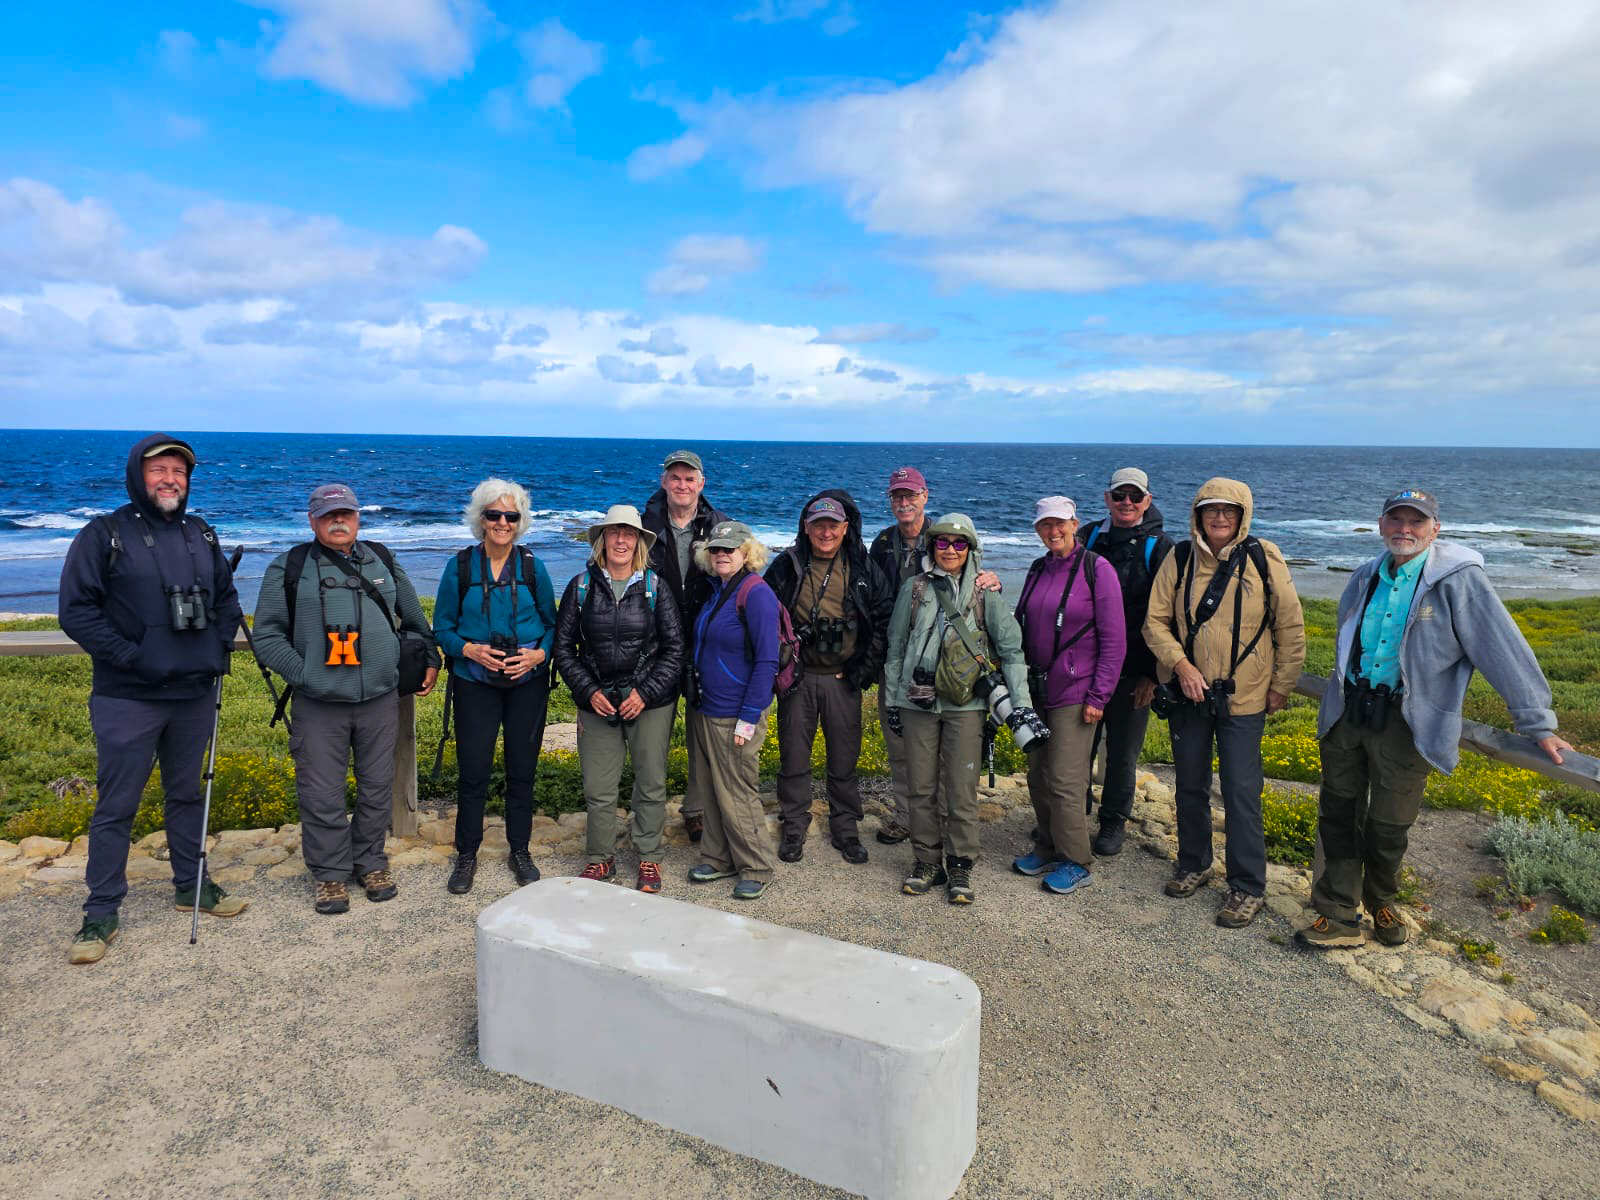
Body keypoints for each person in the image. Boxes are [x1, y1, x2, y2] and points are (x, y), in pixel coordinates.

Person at [1297, 489, 1573, 949]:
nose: (1405, 529)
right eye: (1396, 519)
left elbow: (1502, 649)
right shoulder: (1365, 575)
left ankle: (1382, 902)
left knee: (1389, 825)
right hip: (1350, 713)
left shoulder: (1458, 581)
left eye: (1417, 522)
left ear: (1435, 529)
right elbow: (1348, 642)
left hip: (1406, 723)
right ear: (1381, 524)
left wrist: (1538, 724)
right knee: (1338, 815)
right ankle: (1338, 913)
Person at [58, 434, 246, 964]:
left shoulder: (200, 533)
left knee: (186, 795)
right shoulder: (104, 534)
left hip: (193, 694)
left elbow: (227, 599)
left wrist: (214, 646)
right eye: (158, 470)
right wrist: (132, 657)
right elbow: (76, 611)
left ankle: (192, 885)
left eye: (179, 472)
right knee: (117, 805)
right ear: (137, 477)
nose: (170, 480)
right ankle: (100, 912)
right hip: (128, 696)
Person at [253, 483, 439, 915]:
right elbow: (266, 635)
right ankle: (330, 874)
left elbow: (414, 619)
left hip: (379, 699)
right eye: (328, 514)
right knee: (321, 793)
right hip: (318, 703)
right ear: (312, 520)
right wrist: (306, 675)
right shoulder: (289, 567)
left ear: (357, 517)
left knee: (376, 787)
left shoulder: (383, 559)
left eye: (346, 513)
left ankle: (370, 863)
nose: (338, 520)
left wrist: (430, 657)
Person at [1144, 478, 1305, 929]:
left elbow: (1290, 626)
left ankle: (1247, 885)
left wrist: (1282, 685)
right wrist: (1181, 666)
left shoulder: (1263, 557)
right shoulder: (1179, 558)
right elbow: (1154, 622)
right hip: (1189, 694)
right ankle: (1193, 863)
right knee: (1190, 785)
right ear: (1197, 514)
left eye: (1229, 510)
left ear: (1242, 515)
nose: (1219, 517)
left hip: (1246, 696)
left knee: (1241, 792)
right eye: (1211, 509)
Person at [883, 514, 1034, 905]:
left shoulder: (985, 592)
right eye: (942, 542)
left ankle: (961, 863)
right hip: (917, 702)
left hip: (967, 706)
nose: (950, 549)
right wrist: (893, 701)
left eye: (959, 543)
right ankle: (926, 861)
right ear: (932, 546)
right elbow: (896, 649)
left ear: (971, 548)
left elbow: (1012, 651)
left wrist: (1021, 706)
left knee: (961, 789)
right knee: (920, 787)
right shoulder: (913, 589)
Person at [431, 479, 557, 895]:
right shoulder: (460, 567)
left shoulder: (533, 567)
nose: (503, 522)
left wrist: (539, 655)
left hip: (527, 683)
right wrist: (469, 650)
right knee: (473, 772)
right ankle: (466, 854)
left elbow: (554, 626)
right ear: (481, 519)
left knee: (522, 771)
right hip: (474, 683)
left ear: (520, 522)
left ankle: (520, 850)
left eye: (511, 516)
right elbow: (442, 629)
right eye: (494, 514)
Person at [554, 504, 684, 893]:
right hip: (597, 703)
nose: (621, 540)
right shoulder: (580, 587)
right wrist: (588, 691)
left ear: (639, 541)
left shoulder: (656, 588)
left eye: (629, 534)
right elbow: (564, 649)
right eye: (614, 532)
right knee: (599, 788)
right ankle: (600, 858)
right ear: (603, 540)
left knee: (650, 783)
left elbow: (674, 650)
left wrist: (645, 693)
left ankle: (648, 857)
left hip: (650, 703)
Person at [867, 467, 1000, 844]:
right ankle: (906, 816)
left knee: (943, 748)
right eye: (897, 496)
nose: (904, 502)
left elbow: (973, 579)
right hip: (899, 659)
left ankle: (941, 817)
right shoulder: (882, 543)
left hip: (949, 663)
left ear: (925, 496)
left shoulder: (945, 538)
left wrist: (993, 580)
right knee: (901, 744)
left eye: (910, 495)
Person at [763, 490, 895, 865]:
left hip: (843, 679)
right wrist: (778, 667)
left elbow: (883, 620)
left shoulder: (862, 567)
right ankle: (793, 826)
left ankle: (845, 828)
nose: (826, 532)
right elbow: (763, 615)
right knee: (793, 759)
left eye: (833, 525)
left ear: (845, 527)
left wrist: (860, 671)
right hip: (798, 679)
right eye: (818, 525)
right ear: (806, 528)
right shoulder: (787, 565)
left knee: (844, 760)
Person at [1011, 496, 1126, 896]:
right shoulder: (1037, 568)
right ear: (1037, 529)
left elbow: (1115, 640)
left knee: (1064, 778)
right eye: (1045, 524)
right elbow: (1020, 624)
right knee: (1038, 774)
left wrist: (1100, 695)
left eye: (1060, 523)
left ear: (1075, 524)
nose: (1053, 530)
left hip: (1077, 693)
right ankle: (1047, 845)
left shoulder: (1097, 569)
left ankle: (1076, 860)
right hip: (1037, 689)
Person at [1076, 467, 1175, 855]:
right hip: (1086, 667)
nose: (1127, 503)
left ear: (1148, 501)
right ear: (1107, 499)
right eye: (1119, 496)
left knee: (1122, 753)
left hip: (1134, 670)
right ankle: (1071, 816)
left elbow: (1167, 616)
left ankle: (1113, 822)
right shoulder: (1088, 537)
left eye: (1135, 496)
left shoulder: (1160, 548)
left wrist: (1152, 674)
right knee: (1077, 748)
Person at [684, 520, 780, 900]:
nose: (721, 555)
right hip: (707, 707)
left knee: (738, 792)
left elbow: (767, 661)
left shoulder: (756, 594)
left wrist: (749, 716)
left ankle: (756, 865)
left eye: (730, 549)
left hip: (736, 712)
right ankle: (718, 857)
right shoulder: (719, 590)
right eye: (716, 549)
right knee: (711, 791)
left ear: (746, 553)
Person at [642, 449, 728, 844]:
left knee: (701, 734)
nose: (682, 485)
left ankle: (696, 809)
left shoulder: (719, 525)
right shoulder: (644, 525)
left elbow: (737, 579)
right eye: (675, 478)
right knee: (652, 736)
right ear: (664, 482)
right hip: (654, 646)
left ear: (701, 484)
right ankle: (649, 813)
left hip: (703, 644)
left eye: (689, 478)